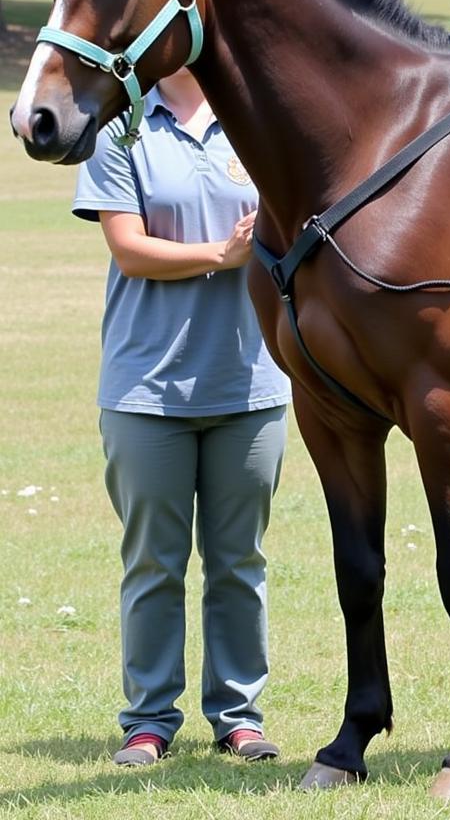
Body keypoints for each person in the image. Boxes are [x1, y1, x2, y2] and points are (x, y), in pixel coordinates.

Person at [73, 68, 291, 767]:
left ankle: (239, 717)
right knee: (153, 564)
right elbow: (128, 248)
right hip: (146, 391)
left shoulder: (257, 121)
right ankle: (147, 721)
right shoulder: (122, 126)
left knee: (240, 563)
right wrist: (220, 254)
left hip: (251, 385)